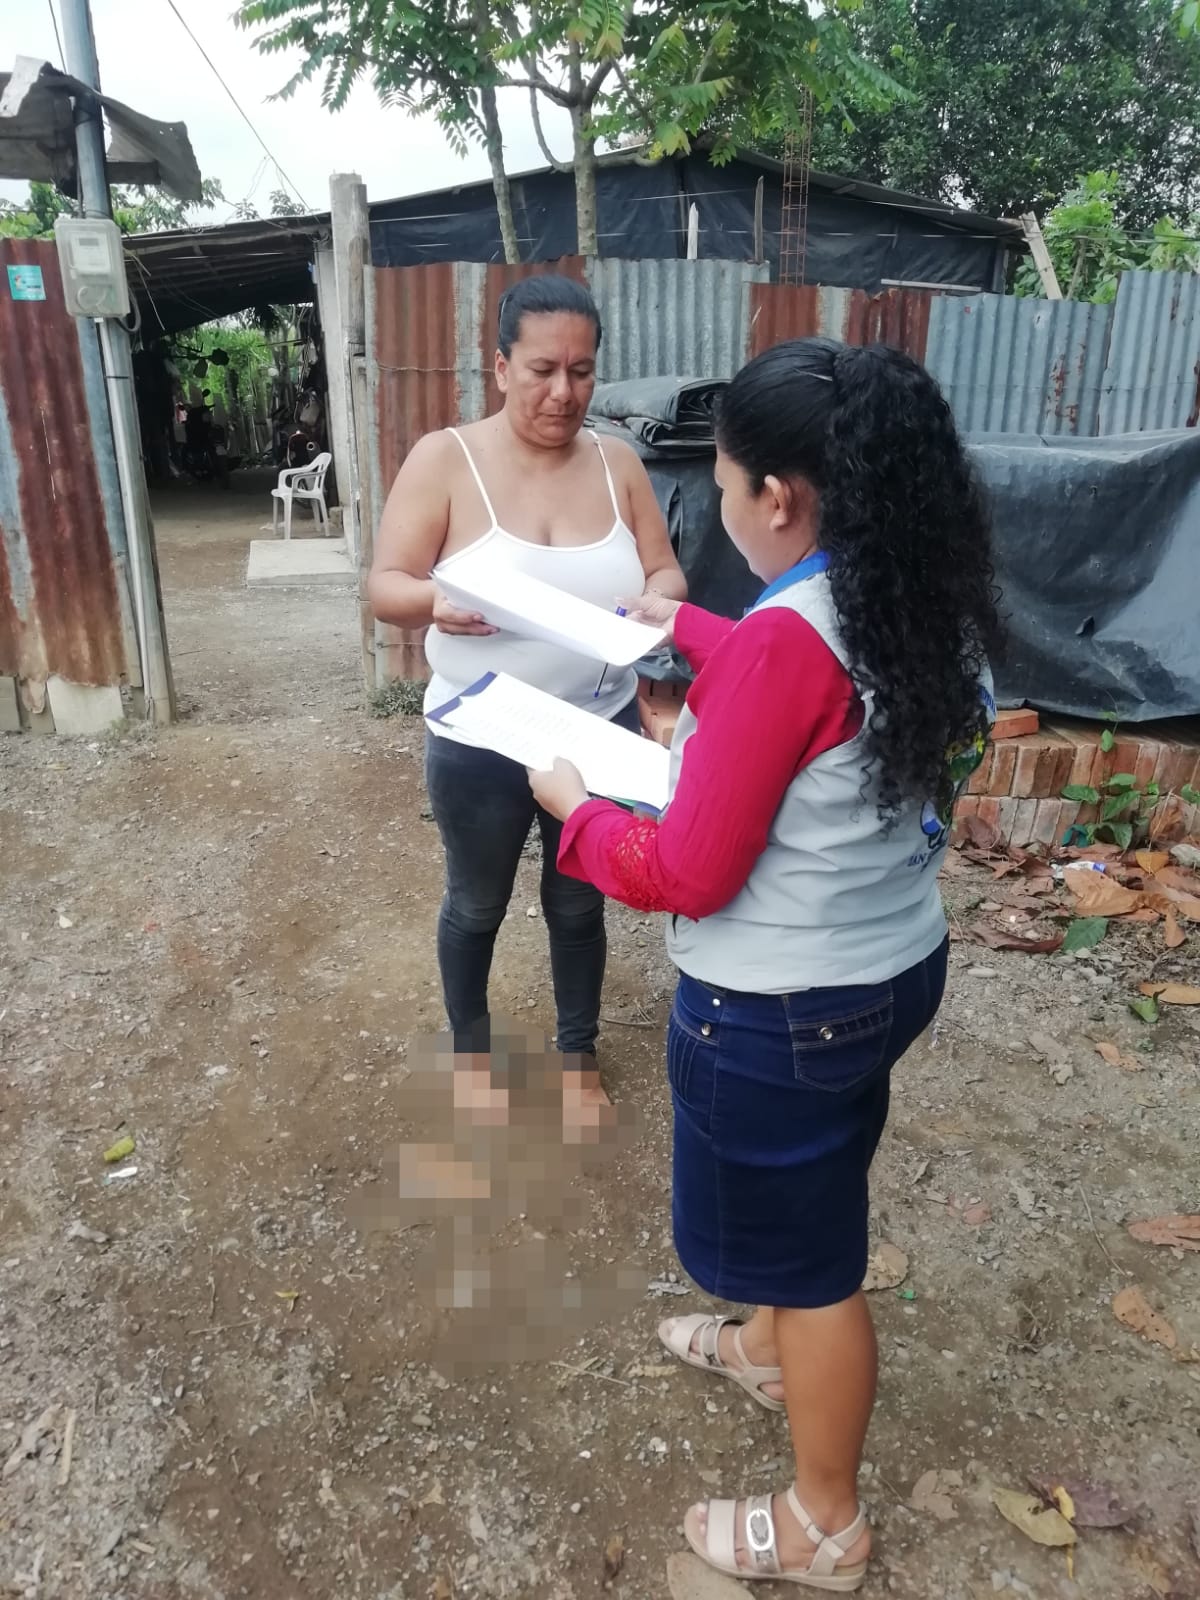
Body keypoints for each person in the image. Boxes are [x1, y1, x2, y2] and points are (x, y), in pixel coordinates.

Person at [530, 338, 1001, 1588]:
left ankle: (824, 1521)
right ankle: (765, 1349)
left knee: (819, 1260)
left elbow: (686, 869)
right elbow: (808, 681)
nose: (722, 507)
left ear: (778, 498)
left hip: (784, 1009)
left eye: (726, 486)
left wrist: (579, 812)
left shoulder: (789, 642)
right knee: (816, 1190)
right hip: (890, 964)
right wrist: (689, 626)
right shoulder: (915, 590)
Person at [368, 275, 686, 1131]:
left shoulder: (618, 464)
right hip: (482, 730)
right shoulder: (446, 460)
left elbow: (665, 570)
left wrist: (656, 601)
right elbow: (386, 584)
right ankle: (471, 1053)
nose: (563, 393)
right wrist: (433, 602)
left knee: (578, 901)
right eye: (543, 370)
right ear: (502, 366)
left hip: (595, 726)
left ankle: (576, 1055)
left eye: (581, 372)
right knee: (476, 902)